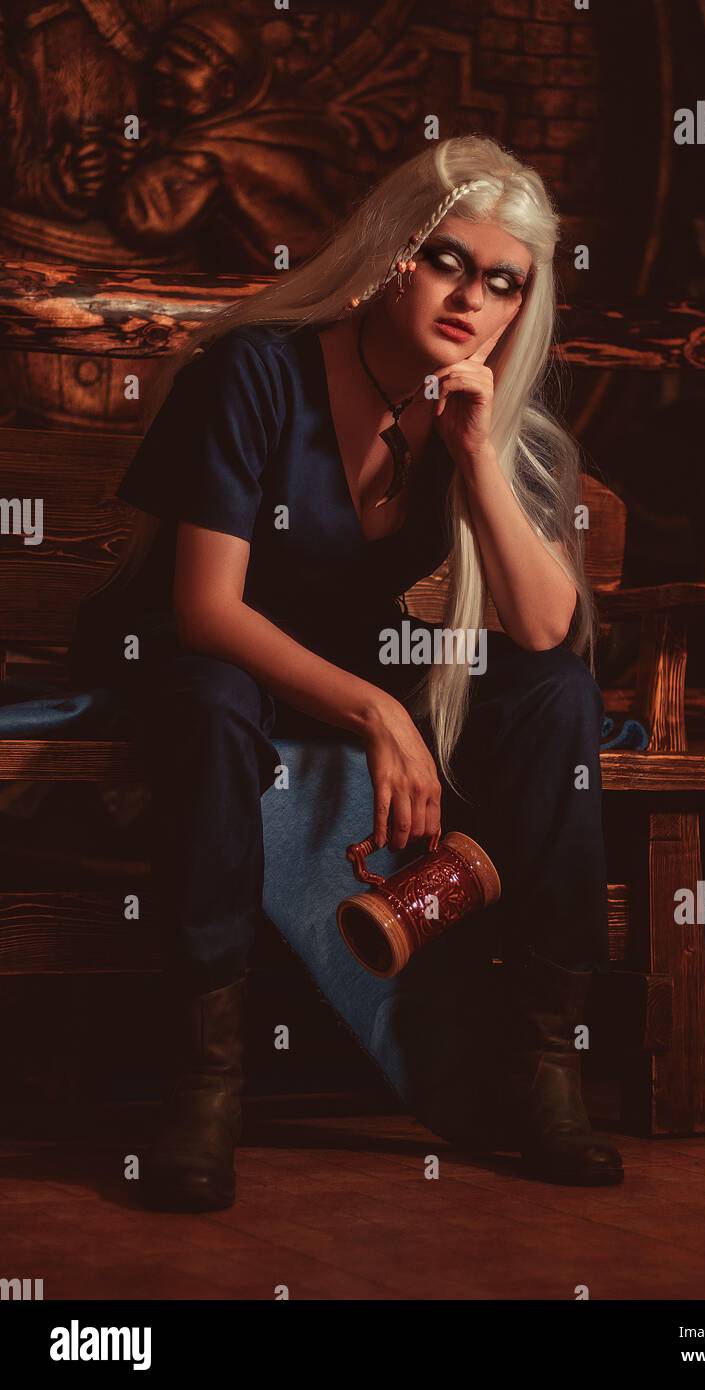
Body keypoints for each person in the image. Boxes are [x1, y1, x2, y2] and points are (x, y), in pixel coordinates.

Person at [68, 133, 624, 1211]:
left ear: (523, 305)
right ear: (391, 253)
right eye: (446, 261)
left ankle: (544, 1064)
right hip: (199, 654)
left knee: (554, 696)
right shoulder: (257, 372)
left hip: (334, 654)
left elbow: (546, 628)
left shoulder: (478, 414)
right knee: (216, 699)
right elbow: (203, 608)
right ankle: (205, 1083)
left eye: (502, 282)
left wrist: (472, 453)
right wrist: (376, 709)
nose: (470, 297)